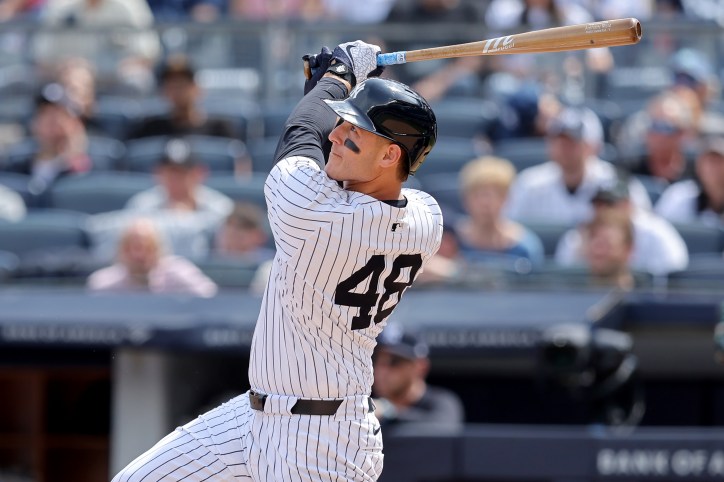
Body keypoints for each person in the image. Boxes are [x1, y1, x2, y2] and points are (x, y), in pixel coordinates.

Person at [111, 39, 442, 481]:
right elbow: (341, 167)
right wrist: (336, 94)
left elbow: (303, 134)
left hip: (321, 440)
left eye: (355, 133)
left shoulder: (314, 214)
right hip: (256, 414)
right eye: (342, 125)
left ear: (390, 154)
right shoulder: (426, 216)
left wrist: (336, 79)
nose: (338, 136)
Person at [504, 106, 652, 225]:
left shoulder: (618, 184)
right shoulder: (530, 184)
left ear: (594, 147)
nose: (563, 148)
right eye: (558, 140)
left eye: (573, 142)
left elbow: (641, 231)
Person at [555, 177, 688, 276]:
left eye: (611, 205)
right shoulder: (579, 236)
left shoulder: (657, 233)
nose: (605, 211)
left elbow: (673, 277)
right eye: (598, 205)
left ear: (628, 205)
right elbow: (564, 277)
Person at [87, 217, 218, 297]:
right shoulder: (103, 283)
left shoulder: (179, 273)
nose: (138, 255)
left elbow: (209, 299)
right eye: (130, 248)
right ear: (120, 251)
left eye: (147, 248)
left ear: (159, 250)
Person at [4, 82, 92, 201]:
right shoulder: (14, 166)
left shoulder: (89, 168)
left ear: (74, 123)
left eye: (60, 114)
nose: (52, 121)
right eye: (44, 114)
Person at [453, 155, 544, 267]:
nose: (485, 203)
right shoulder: (448, 241)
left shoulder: (525, 247)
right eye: (477, 195)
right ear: (465, 198)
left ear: (507, 198)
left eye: (495, 195)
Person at [372, 322, 465, 430]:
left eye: (394, 362)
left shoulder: (442, 402)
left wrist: (388, 412)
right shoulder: (365, 404)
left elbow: (443, 427)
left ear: (420, 367)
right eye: (376, 360)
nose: (381, 370)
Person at [127, 54, 237, 140]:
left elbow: (241, 165)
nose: (178, 92)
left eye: (182, 85)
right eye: (171, 86)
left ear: (197, 88)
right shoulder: (150, 129)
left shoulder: (220, 129)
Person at [655, 135, 724, 227]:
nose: (713, 168)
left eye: (718, 161)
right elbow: (660, 227)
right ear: (699, 166)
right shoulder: (679, 196)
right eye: (709, 161)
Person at [579, 209, 637, 291]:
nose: (597, 251)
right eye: (593, 242)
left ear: (628, 249)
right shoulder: (568, 295)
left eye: (606, 244)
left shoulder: (648, 298)